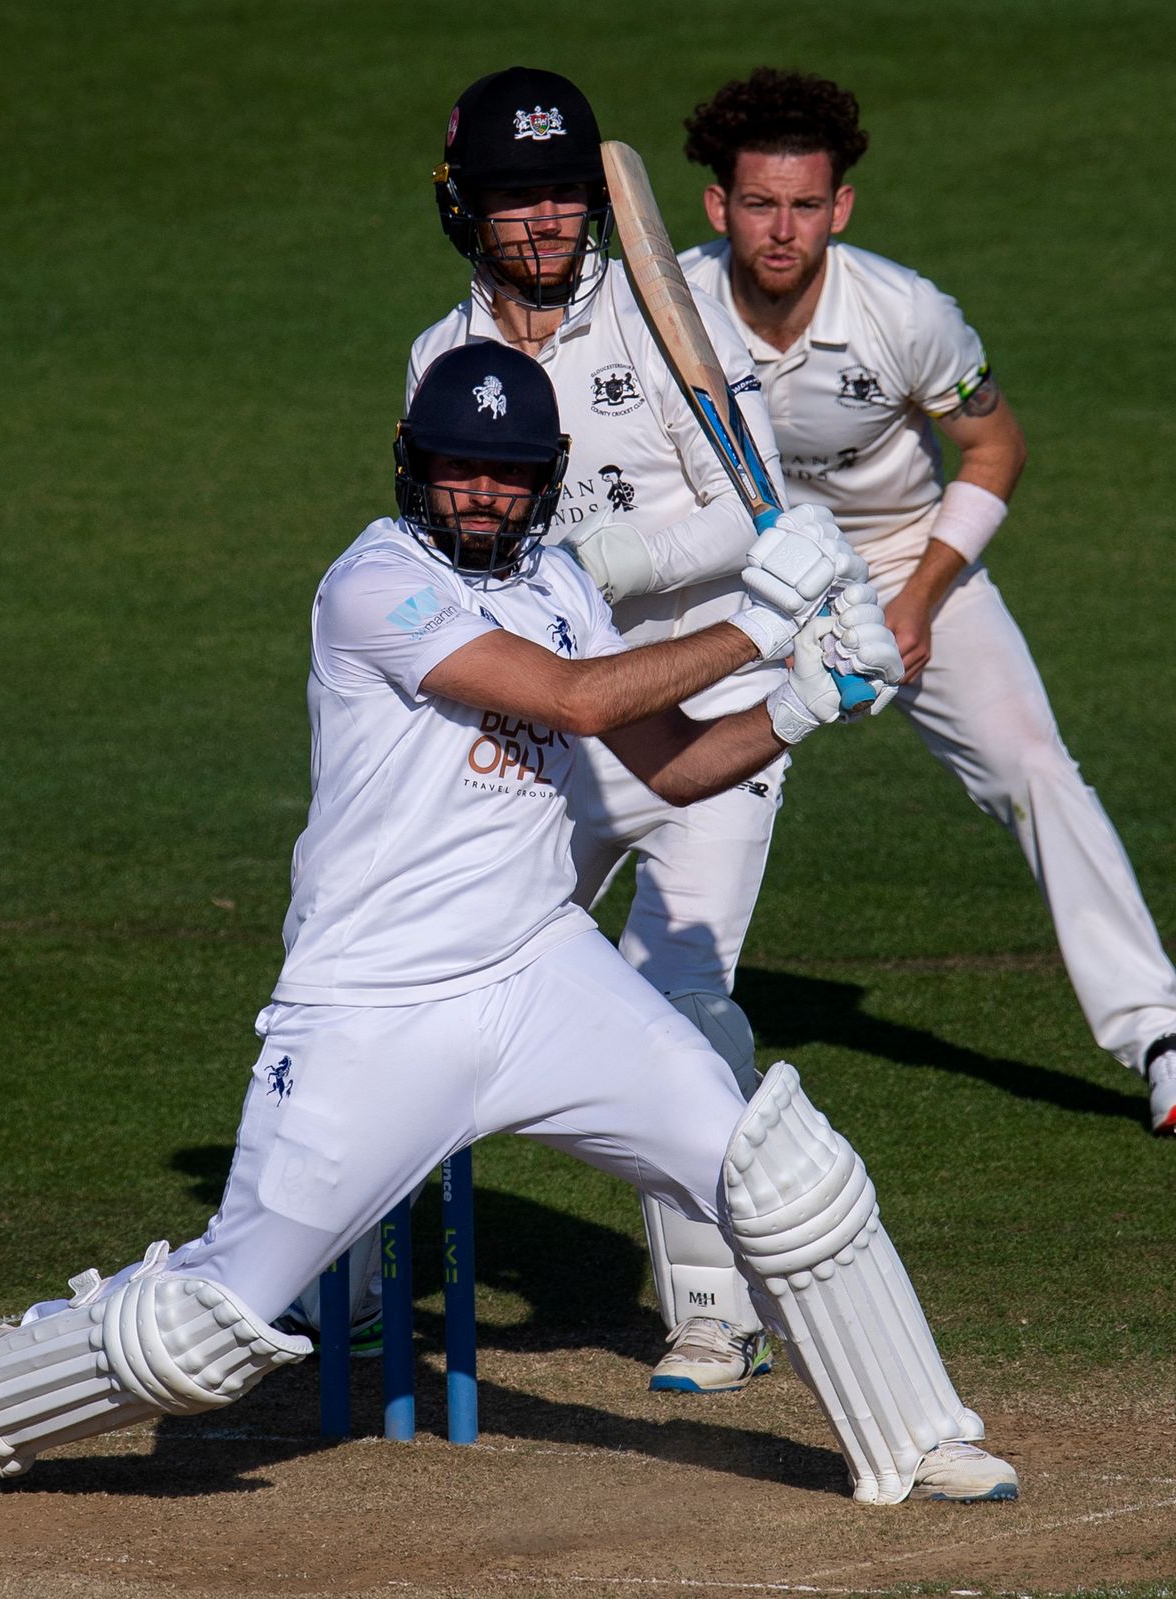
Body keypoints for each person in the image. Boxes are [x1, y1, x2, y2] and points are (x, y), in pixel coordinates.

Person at [0, 345, 1021, 1507]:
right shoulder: (373, 586)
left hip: (539, 971)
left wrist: (811, 698)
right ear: (413, 467)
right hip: (373, 1011)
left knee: (776, 1178)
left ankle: (920, 1437)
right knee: (206, 1333)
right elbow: (571, 700)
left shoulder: (562, 589)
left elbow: (676, 767)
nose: (480, 493)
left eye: (507, 475)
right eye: (457, 469)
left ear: (544, 480)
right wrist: (766, 623)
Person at [675, 67, 1176, 1141]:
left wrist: (921, 599)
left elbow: (994, 446)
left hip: (899, 560)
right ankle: (668, 1041)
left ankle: (1167, 1040)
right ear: (718, 206)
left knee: (1035, 770)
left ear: (840, 207)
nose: (781, 231)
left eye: (804, 206)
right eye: (758, 204)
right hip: (741, 584)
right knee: (698, 799)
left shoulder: (906, 313)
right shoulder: (672, 313)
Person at [407, 65, 829, 1397]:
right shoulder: (440, 359)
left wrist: (591, 559)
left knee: (680, 1001)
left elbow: (739, 515)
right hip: (550, 738)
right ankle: (354, 1260)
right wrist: (561, 579)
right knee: (435, 975)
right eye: (513, 196)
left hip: (703, 708)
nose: (540, 220)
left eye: (559, 194)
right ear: (464, 205)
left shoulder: (673, 313)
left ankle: (712, 1307)